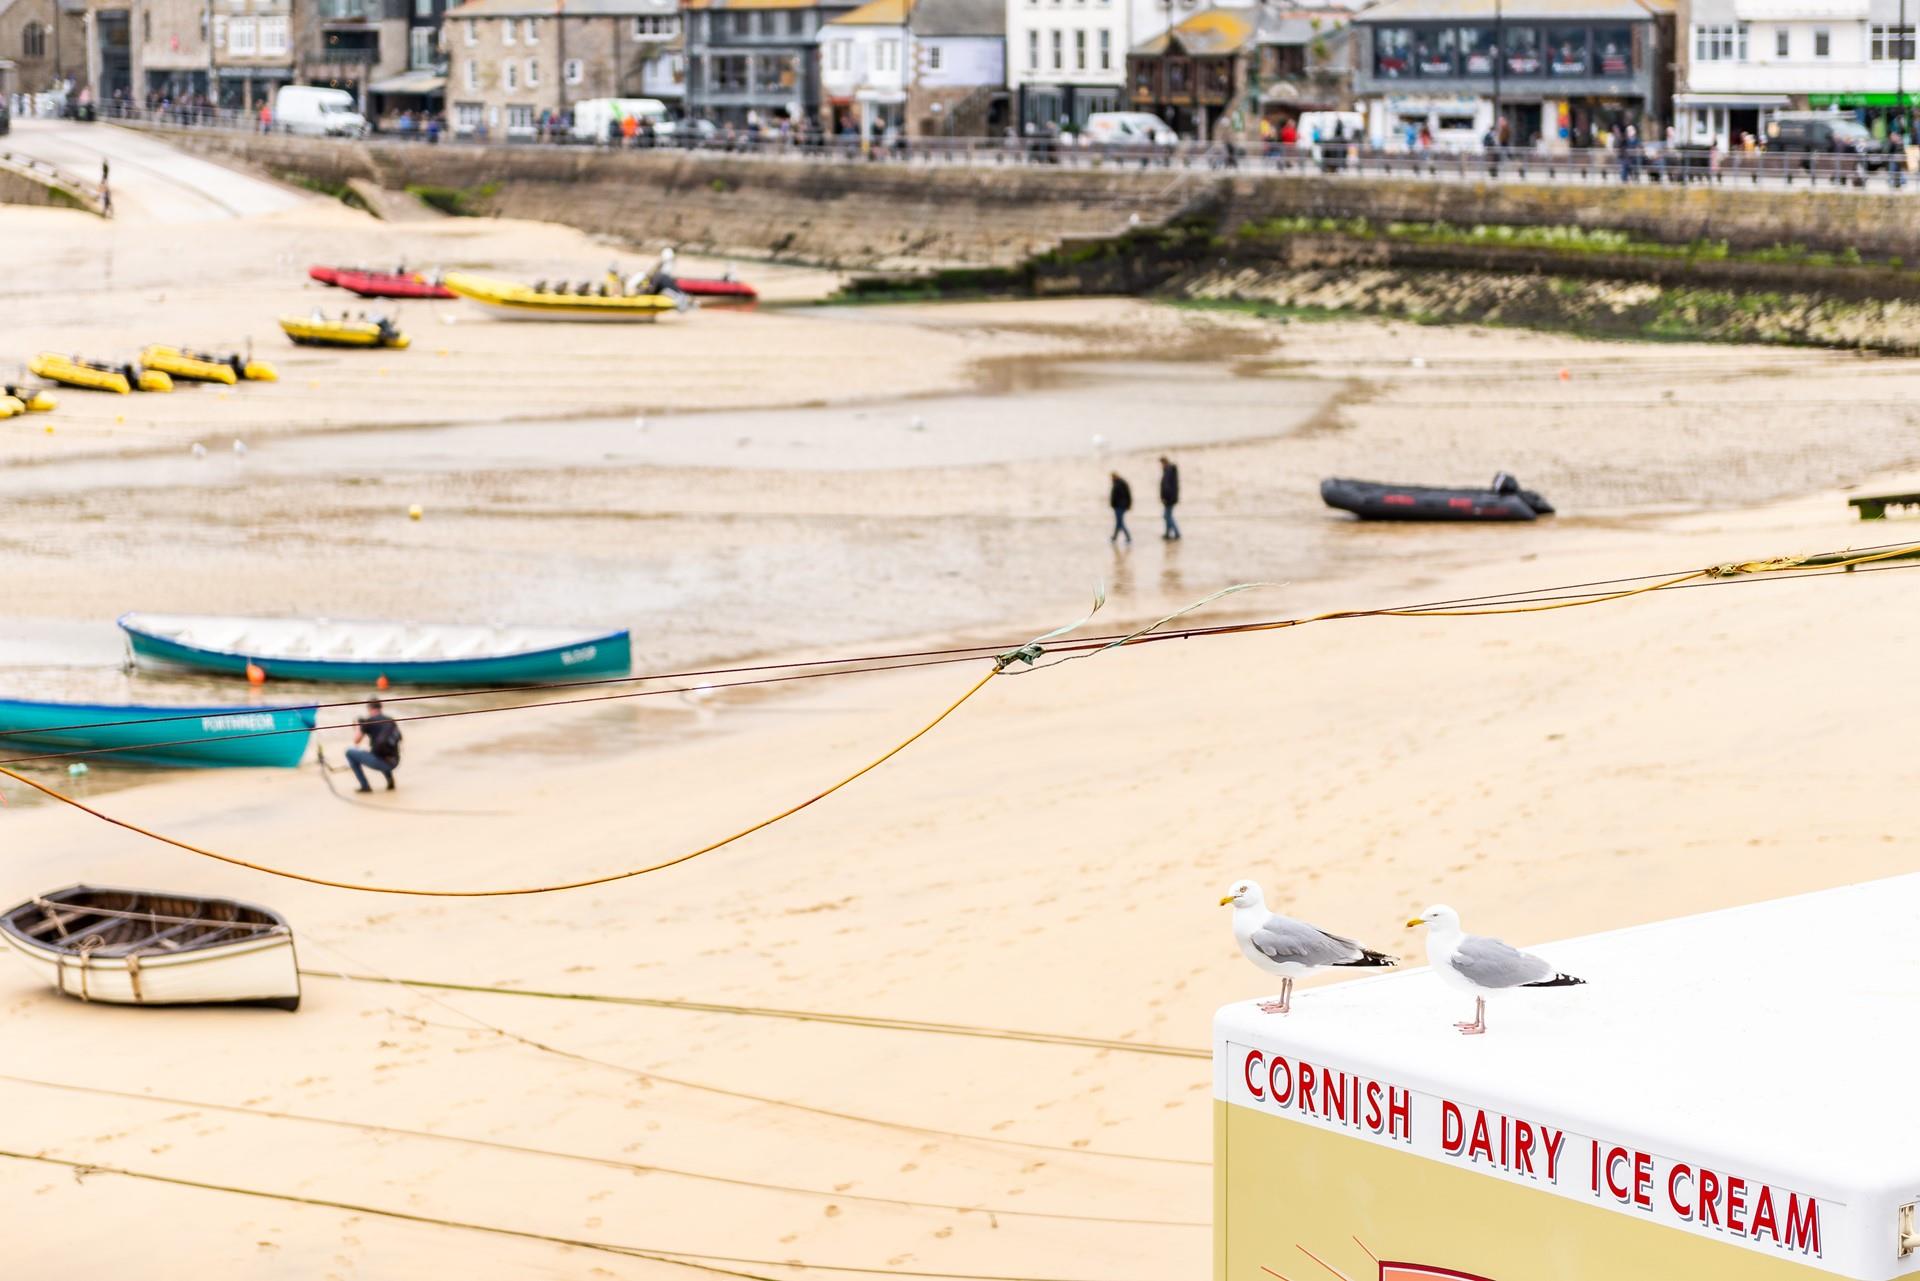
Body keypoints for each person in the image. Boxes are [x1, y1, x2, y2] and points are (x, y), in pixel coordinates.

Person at [347, 698, 402, 792]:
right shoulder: (390, 720)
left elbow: (356, 741)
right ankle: (390, 782)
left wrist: (358, 727)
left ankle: (365, 786)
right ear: (380, 707)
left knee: (349, 753)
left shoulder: (369, 721)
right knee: (381, 750)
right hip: (395, 761)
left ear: (369, 708)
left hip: (382, 763)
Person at [1158, 456, 1181, 540]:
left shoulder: (1168, 471)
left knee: (1167, 516)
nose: (1160, 465)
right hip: (1171, 498)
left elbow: (1166, 486)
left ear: (1164, 462)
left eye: (1161, 463)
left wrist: (1165, 497)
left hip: (1169, 498)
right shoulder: (1168, 470)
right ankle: (1168, 534)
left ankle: (1176, 533)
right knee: (1167, 516)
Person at [1108, 471, 1133, 545]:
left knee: (1120, 523)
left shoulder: (1121, 483)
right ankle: (1114, 537)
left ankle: (1128, 537)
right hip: (1117, 506)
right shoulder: (1116, 483)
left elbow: (1128, 495)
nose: (1111, 479)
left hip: (1121, 506)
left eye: (1112, 477)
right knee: (1118, 522)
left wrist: (1128, 505)